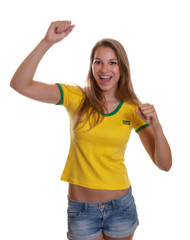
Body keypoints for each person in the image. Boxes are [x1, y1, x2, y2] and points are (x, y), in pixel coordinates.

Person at [10, 21, 172, 240]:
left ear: (122, 68)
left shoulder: (132, 107)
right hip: (82, 210)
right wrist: (47, 42)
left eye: (112, 63)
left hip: (120, 208)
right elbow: (20, 85)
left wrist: (158, 127)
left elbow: (164, 165)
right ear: (91, 66)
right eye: (98, 62)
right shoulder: (75, 97)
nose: (104, 69)